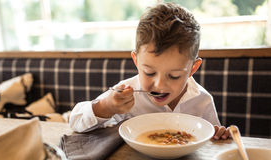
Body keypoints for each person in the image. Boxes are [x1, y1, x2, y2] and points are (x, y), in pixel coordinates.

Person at [69, 2, 230, 140]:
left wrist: (218, 135)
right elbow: (75, 121)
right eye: (149, 73)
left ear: (192, 69)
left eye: (174, 76)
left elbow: (210, 139)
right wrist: (106, 106)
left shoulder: (202, 101)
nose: (159, 85)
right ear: (136, 61)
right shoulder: (125, 94)